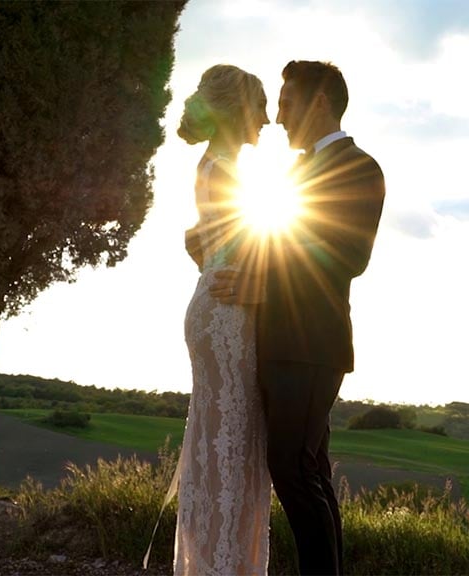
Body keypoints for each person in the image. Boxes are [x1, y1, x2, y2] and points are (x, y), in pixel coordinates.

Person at [209, 60, 386, 575]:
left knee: (291, 470)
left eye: (286, 103)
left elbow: (349, 256)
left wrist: (262, 283)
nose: (280, 117)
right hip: (282, 341)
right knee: (308, 472)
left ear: (320, 103)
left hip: (312, 345)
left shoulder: (361, 169)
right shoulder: (295, 174)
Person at [172, 64, 272, 575]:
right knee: (229, 448)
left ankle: (217, 563)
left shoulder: (217, 165)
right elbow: (252, 247)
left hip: (217, 305)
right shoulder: (228, 171)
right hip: (228, 315)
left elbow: (210, 240)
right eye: (260, 104)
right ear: (238, 110)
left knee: (222, 444)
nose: (269, 118)